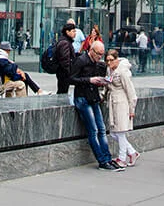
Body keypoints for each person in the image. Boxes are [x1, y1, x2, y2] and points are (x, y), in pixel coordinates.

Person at [69, 41, 121, 171]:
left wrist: (101, 82)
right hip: (82, 98)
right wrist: (89, 80)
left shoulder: (97, 63)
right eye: (98, 54)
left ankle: (107, 158)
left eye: (102, 54)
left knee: (102, 129)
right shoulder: (81, 60)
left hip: (93, 97)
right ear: (91, 51)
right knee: (93, 130)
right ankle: (102, 161)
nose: (100, 57)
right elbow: (71, 79)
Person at [103, 48, 139, 167]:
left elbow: (130, 91)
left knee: (120, 132)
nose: (109, 63)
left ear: (116, 59)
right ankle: (132, 152)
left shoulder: (122, 71)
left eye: (111, 60)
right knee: (114, 132)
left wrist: (132, 109)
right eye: (107, 60)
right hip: (113, 102)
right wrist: (103, 94)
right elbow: (108, 84)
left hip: (122, 103)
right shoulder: (109, 70)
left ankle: (122, 157)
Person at [56, 22, 77, 94]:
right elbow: (65, 60)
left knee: (63, 90)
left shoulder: (66, 41)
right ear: (67, 32)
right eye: (73, 31)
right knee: (62, 90)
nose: (75, 33)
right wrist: (69, 72)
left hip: (63, 72)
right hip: (63, 73)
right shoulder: (65, 43)